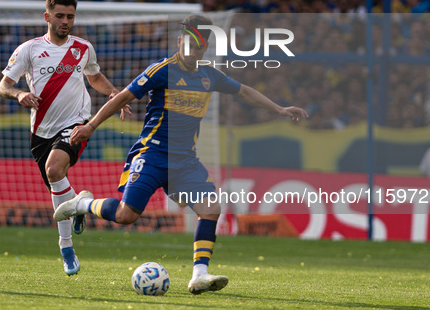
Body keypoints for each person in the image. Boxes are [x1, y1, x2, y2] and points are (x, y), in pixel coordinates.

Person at [54, 15, 308, 294]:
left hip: (185, 161)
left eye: (198, 47)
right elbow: (124, 97)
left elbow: (244, 91)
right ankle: (83, 204)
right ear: (179, 42)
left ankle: (199, 274)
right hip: (152, 154)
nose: (192, 51)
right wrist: (90, 126)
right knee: (127, 215)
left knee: (210, 208)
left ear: (204, 50)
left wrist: (280, 109)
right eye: (188, 44)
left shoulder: (208, 75)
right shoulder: (162, 70)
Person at [0, 0, 130, 276]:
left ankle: (66, 247)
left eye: (70, 16)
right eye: (60, 16)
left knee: (55, 169)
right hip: (40, 132)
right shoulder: (29, 50)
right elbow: (3, 86)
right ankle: (80, 205)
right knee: (60, 192)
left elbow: (94, 77)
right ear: (47, 17)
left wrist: (114, 92)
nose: (65, 21)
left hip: (76, 123)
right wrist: (19, 94)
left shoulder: (83, 48)